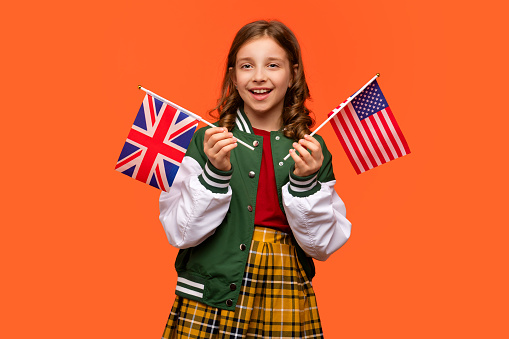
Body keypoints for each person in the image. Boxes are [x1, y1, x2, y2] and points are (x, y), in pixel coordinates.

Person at [159, 20, 351, 338]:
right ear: (233, 77)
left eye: (272, 65)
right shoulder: (208, 140)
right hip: (212, 297)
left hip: (283, 290)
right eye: (247, 66)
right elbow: (180, 233)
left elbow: (322, 246)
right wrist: (215, 174)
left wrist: (305, 182)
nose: (259, 76)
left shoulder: (310, 149)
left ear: (293, 74)